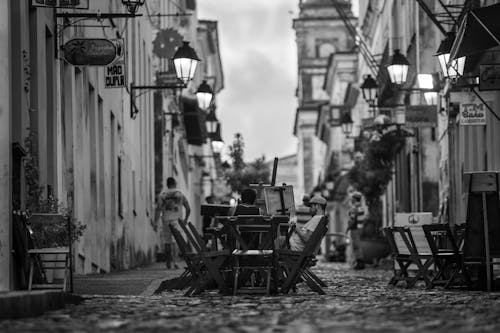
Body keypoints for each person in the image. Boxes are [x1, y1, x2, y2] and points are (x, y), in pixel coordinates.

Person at [156, 177, 191, 269]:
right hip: (177, 221)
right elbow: (188, 208)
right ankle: (175, 262)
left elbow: (159, 209)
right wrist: (185, 220)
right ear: (175, 183)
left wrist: (155, 221)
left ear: (167, 184)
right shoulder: (180, 194)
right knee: (176, 241)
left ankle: (168, 263)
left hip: (166, 220)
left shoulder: (162, 195)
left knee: (167, 242)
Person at [346, 191, 367, 269]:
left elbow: (352, 219)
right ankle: (359, 262)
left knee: (356, 246)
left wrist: (348, 228)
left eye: (352, 198)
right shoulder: (361, 207)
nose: (351, 200)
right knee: (358, 246)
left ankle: (360, 263)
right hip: (360, 228)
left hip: (355, 229)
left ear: (355, 199)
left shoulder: (354, 208)